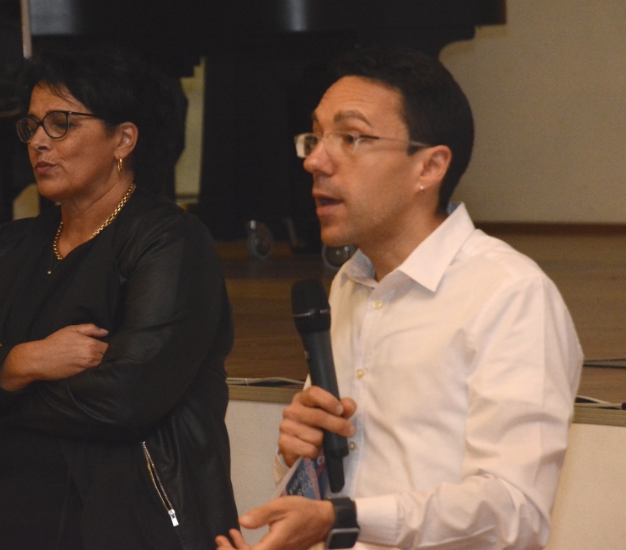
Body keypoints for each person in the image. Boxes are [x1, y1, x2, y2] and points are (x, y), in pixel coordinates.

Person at [216, 47, 583, 550]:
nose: (316, 161)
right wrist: (300, 458)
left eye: (351, 138)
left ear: (429, 166)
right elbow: (345, 488)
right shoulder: (350, 283)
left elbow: (513, 512)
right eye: (315, 137)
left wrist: (343, 517)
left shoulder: (510, 294)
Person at [0, 46, 238, 550]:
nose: (38, 142)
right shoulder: (13, 244)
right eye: (31, 126)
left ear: (123, 139)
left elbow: (123, 399)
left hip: (131, 522)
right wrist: (28, 360)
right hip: (5, 521)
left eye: (61, 123)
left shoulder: (169, 241)